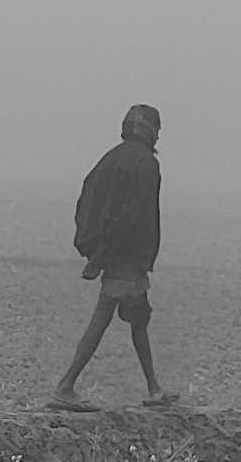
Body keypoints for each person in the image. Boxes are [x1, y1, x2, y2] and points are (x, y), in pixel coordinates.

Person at [49, 102, 176, 409]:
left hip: (116, 253)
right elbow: (133, 214)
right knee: (105, 317)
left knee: (138, 318)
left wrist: (97, 251)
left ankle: (153, 388)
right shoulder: (146, 164)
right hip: (126, 255)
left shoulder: (110, 159)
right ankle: (65, 387)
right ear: (150, 130)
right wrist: (105, 256)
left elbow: (88, 200)